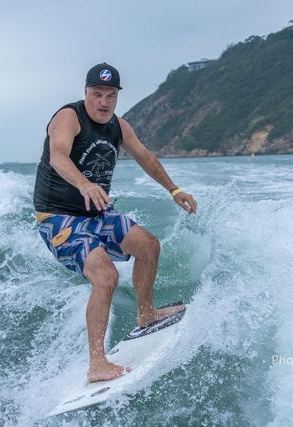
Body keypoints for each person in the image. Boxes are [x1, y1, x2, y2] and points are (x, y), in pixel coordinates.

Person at [33, 63, 197, 383]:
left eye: (111, 95)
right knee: (106, 275)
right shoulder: (68, 117)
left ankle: (146, 314)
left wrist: (175, 190)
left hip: (96, 212)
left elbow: (146, 157)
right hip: (58, 217)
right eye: (97, 94)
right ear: (86, 93)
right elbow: (58, 155)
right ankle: (97, 363)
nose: (104, 102)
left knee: (148, 245)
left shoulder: (118, 127)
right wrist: (84, 184)